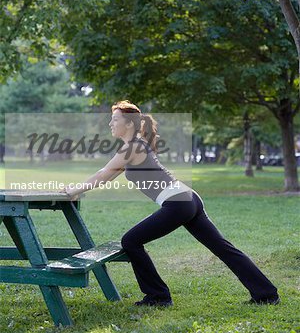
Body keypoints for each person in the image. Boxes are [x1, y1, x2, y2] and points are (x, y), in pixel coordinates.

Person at [62, 100, 280, 307]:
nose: (110, 123)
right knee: (223, 248)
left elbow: (103, 172)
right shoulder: (135, 146)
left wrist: (73, 190)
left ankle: (158, 296)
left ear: (129, 123)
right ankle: (266, 294)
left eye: (115, 119)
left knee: (131, 241)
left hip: (178, 203)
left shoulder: (133, 147)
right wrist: (80, 191)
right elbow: (108, 177)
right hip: (188, 199)